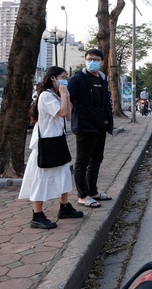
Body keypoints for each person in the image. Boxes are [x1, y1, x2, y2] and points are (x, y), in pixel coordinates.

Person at [19, 66, 84, 229]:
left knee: (63, 173)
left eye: (66, 77)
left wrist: (66, 96)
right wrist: (64, 95)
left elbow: (68, 116)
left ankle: (64, 207)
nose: (65, 79)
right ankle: (37, 215)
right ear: (53, 78)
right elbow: (61, 113)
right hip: (46, 143)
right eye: (62, 76)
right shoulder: (46, 96)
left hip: (58, 140)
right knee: (42, 178)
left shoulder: (56, 95)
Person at [68, 49, 114, 208]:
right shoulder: (77, 79)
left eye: (95, 59)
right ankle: (82, 195)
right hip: (84, 127)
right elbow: (69, 100)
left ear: (102, 62)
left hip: (101, 126)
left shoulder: (102, 78)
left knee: (96, 160)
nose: (92, 62)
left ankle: (93, 191)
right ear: (85, 60)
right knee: (82, 162)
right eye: (89, 59)